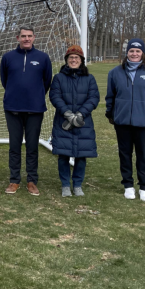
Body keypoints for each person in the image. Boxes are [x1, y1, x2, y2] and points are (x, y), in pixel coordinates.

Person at [105, 38, 145, 201]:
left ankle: (144, 187)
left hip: (144, 122)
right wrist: (111, 113)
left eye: (137, 51)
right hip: (122, 122)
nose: (134, 54)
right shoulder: (115, 72)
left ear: (143, 53)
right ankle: (128, 185)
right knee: (124, 154)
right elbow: (110, 96)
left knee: (143, 154)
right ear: (127, 53)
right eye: (131, 51)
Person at [0, 26, 52, 196]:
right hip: (12, 109)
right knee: (14, 147)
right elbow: (4, 80)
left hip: (35, 110)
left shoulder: (43, 58)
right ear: (17, 38)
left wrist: (35, 96)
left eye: (29, 36)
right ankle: (14, 180)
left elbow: (46, 81)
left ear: (34, 38)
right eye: (23, 36)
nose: (26, 39)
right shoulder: (8, 57)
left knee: (32, 147)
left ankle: (31, 181)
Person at [49, 45, 100, 197]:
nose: (73, 60)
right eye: (71, 58)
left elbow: (93, 98)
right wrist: (67, 113)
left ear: (81, 61)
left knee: (81, 155)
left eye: (76, 58)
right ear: (66, 60)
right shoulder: (58, 78)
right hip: (63, 122)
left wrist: (80, 115)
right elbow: (55, 96)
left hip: (83, 123)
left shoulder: (89, 79)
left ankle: (77, 185)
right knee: (63, 154)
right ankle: (65, 185)